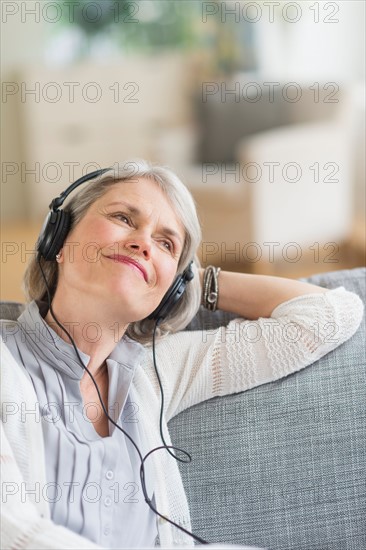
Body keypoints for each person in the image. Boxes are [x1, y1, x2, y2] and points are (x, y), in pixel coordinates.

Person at [0, 159, 364, 550]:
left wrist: (197, 284)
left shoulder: (156, 372)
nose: (143, 243)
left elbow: (329, 316)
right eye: (123, 217)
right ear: (58, 237)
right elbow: (14, 530)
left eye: (166, 243)